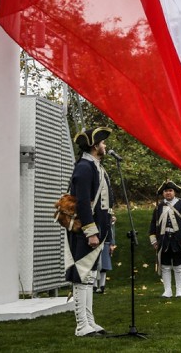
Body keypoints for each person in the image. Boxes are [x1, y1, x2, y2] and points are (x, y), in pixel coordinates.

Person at [66, 127, 114, 336]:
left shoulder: (95, 166)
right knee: (81, 277)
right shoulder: (85, 167)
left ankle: (89, 322)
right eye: (102, 143)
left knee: (90, 277)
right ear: (95, 146)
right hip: (85, 232)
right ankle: (80, 325)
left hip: (96, 230)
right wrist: (91, 232)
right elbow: (83, 203)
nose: (105, 146)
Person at [149, 180, 181, 298]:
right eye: (165, 191)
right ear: (163, 193)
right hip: (163, 240)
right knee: (165, 266)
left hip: (178, 239)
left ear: (174, 192)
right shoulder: (159, 206)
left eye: (170, 190)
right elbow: (153, 224)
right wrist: (154, 239)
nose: (168, 193)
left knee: (178, 266)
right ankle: (167, 291)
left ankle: (179, 291)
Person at [95, 217, 117, 294]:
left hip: (105, 241)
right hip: (95, 241)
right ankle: (94, 286)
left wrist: (112, 243)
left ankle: (102, 286)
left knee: (104, 265)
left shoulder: (107, 216)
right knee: (94, 265)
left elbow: (111, 230)